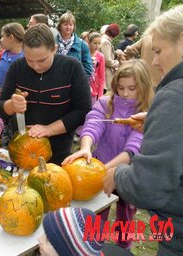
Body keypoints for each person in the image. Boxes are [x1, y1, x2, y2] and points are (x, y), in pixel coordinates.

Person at [103, 5, 183, 256]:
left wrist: (116, 175)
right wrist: (155, 121)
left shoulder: (174, 95)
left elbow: (147, 187)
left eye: (158, 51)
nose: (155, 61)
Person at [63, 59, 154, 249]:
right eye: (121, 87)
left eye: (132, 88)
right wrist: (86, 147)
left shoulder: (147, 114)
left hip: (130, 173)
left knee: (125, 214)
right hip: (100, 165)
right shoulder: (106, 103)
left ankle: (123, 248)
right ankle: (94, 246)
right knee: (98, 212)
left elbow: (134, 148)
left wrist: (103, 170)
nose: (125, 93)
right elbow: (93, 125)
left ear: (144, 87)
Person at [0, 24, 91, 165]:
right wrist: (11, 105)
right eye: (29, 60)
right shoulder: (17, 68)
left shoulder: (72, 67)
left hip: (59, 150)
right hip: (22, 151)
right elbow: (0, 108)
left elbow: (83, 111)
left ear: (54, 49)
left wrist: (49, 129)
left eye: (42, 60)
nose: (35, 66)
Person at [56, 12, 93, 77]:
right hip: (54, 83)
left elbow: (88, 68)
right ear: (60, 25)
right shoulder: (50, 42)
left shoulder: (82, 45)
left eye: (71, 25)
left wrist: (78, 82)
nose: (68, 27)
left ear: (74, 27)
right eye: (65, 24)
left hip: (74, 84)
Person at [0, 22, 25, 89]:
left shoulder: (27, 57)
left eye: (3, 36)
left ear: (11, 37)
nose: (0, 40)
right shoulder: (1, 55)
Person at [100, 23, 122, 92]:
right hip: (105, 74)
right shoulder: (106, 42)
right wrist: (117, 63)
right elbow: (107, 61)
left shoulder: (104, 40)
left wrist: (115, 53)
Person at [87, 31, 105, 104]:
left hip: (94, 90)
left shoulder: (100, 56)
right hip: (83, 87)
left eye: (99, 43)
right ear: (89, 43)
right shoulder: (84, 54)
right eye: (95, 43)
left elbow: (101, 77)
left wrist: (100, 94)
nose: (97, 46)